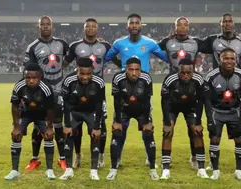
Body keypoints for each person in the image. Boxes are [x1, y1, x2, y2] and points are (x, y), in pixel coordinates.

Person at [105, 13, 168, 167]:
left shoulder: (150, 43)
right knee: (121, 126)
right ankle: (117, 158)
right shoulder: (119, 43)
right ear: (127, 26)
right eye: (131, 23)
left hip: (143, 90)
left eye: (136, 23)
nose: (134, 25)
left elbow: (166, 57)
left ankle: (149, 157)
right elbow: (106, 57)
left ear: (141, 25)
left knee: (146, 125)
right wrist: (120, 63)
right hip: (124, 89)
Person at [65, 18, 121, 169]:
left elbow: (118, 62)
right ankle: (78, 155)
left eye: (93, 27)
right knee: (76, 128)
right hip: (78, 91)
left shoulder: (105, 46)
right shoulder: (75, 46)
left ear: (97, 29)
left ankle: (101, 156)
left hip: (97, 91)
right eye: (87, 26)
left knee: (101, 127)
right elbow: (65, 62)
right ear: (84, 29)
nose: (90, 29)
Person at [202, 13, 241, 170]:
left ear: (233, 24)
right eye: (224, 22)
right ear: (220, 24)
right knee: (215, 127)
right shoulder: (212, 40)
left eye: (230, 21)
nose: (227, 24)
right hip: (217, 85)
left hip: (236, 84)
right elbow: (195, 47)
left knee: (240, 126)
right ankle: (212, 162)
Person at [158, 16, 207, 169]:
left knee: (193, 129)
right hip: (173, 88)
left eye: (185, 25)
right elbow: (153, 48)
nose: (182, 27)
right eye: (179, 25)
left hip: (190, 88)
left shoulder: (196, 42)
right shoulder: (167, 42)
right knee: (168, 129)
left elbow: (214, 48)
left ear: (189, 27)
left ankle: (195, 157)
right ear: (175, 27)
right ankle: (166, 160)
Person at [23, 15, 69, 171]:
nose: (45, 26)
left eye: (48, 24)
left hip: (58, 89)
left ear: (52, 26)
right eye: (42, 24)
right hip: (41, 90)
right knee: (38, 124)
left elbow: (75, 55)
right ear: (38, 27)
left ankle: (62, 159)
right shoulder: (32, 47)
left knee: (57, 124)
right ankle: (35, 159)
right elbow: (29, 70)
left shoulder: (62, 43)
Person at [106, 57, 158, 180]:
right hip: (123, 110)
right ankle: (114, 167)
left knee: (148, 133)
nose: (134, 73)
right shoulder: (118, 78)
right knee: (117, 132)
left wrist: (146, 122)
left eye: (137, 70)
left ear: (140, 70)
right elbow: (116, 101)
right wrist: (118, 121)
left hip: (141, 110)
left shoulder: (146, 78)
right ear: (126, 70)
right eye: (131, 70)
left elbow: (147, 101)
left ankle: (152, 169)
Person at [4, 63, 56, 180]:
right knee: (16, 136)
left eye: (34, 78)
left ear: (40, 77)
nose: (31, 81)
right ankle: (14, 171)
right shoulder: (19, 86)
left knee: (48, 136)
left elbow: (50, 109)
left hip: (42, 115)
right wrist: (16, 126)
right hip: (26, 113)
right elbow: (14, 106)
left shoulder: (46, 88)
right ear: (24, 76)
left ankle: (49, 170)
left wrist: (49, 127)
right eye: (28, 78)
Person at [203, 48, 241, 180]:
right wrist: (210, 119)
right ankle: (216, 170)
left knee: (239, 140)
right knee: (214, 139)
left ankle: (238, 170)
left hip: (234, 111)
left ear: (236, 60)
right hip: (217, 112)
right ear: (220, 59)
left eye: (232, 58)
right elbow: (207, 100)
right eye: (226, 58)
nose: (229, 61)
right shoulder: (211, 76)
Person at [160, 58, 208, 179]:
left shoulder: (198, 79)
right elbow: (164, 100)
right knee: (167, 132)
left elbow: (201, 100)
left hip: (191, 107)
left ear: (193, 71)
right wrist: (166, 121)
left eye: (189, 73)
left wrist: (198, 122)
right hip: (172, 107)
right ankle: (165, 168)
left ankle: (201, 167)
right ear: (178, 71)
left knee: (197, 132)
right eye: (183, 73)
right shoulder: (170, 79)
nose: (186, 75)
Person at [59, 58, 105, 180]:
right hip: (74, 111)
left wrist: (96, 127)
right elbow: (66, 103)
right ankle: (69, 170)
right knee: (68, 135)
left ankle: (94, 171)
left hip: (91, 111)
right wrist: (68, 125)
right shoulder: (69, 80)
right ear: (77, 70)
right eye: (82, 73)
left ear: (93, 71)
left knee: (95, 136)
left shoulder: (99, 82)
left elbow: (100, 104)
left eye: (88, 74)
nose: (85, 77)